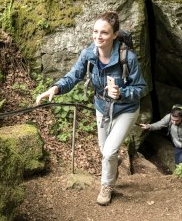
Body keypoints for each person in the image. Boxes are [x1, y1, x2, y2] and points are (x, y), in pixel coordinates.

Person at [35, 11, 146, 206]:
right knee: (106, 151)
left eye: (104, 32)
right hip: (102, 107)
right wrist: (56, 87)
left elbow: (140, 88)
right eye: (95, 31)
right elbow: (74, 75)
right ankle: (112, 164)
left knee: (109, 151)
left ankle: (107, 186)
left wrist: (122, 93)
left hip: (126, 109)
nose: (98, 36)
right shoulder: (89, 54)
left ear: (114, 34)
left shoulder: (127, 57)